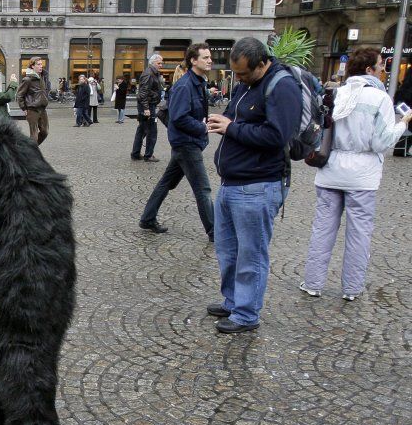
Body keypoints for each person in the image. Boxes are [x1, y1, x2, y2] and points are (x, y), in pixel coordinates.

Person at [204, 37, 301, 334]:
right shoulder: (247, 85)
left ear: (262, 63)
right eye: (237, 74)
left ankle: (246, 313)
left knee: (251, 253)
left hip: (259, 185)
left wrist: (232, 127)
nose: (240, 79)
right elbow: (238, 120)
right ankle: (234, 301)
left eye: (245, 73)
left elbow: (277, 136)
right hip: (233, 182)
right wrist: (225, 120)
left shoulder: (282, 86)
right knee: (228, 250)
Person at [300, 47, 412, 301]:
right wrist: (402, 124)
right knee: (359, 233)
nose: (384, 69)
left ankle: (313, 282)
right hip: (362, 175)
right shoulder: (380, 98)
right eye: (381, 65)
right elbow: (381, 143)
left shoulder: (337, 94)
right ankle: (351, 288)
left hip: (330, 167)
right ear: (370, 69)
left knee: (323, 228)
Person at [139, 43, 215, 240]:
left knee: (166, 183)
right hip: (186, 144)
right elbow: (179, 117)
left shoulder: (197, 82)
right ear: (193, 60)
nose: (210, 61)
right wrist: (202, 127)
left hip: (187, 142)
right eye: (205, 57)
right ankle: (215, 230)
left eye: (209, 57)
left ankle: (147, 218)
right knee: (203, 189)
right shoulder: (185, 85)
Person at [132, 54, 164, 162]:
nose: (161, 65)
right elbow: (143, 92)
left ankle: (135, 153)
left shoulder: (151, 73)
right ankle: (148, 155)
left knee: (142, 130)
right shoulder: (149, 74)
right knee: (151, 131)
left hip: (149, 105)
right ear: (153, 63)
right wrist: (146, 109)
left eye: (161, 63)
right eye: (159, 63)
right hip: (148, 106)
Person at [16, 58, 50, 144]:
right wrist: (24, 108)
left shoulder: (42, 77)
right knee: (34, 136)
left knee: (45, 132)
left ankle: (30, 149)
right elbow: (19, 95)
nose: (41, 66)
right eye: (38, 64)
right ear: (32, 66)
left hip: (42, 109)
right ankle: (32, 153)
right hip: (32, 109)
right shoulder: (27, 79)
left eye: (41, 64)